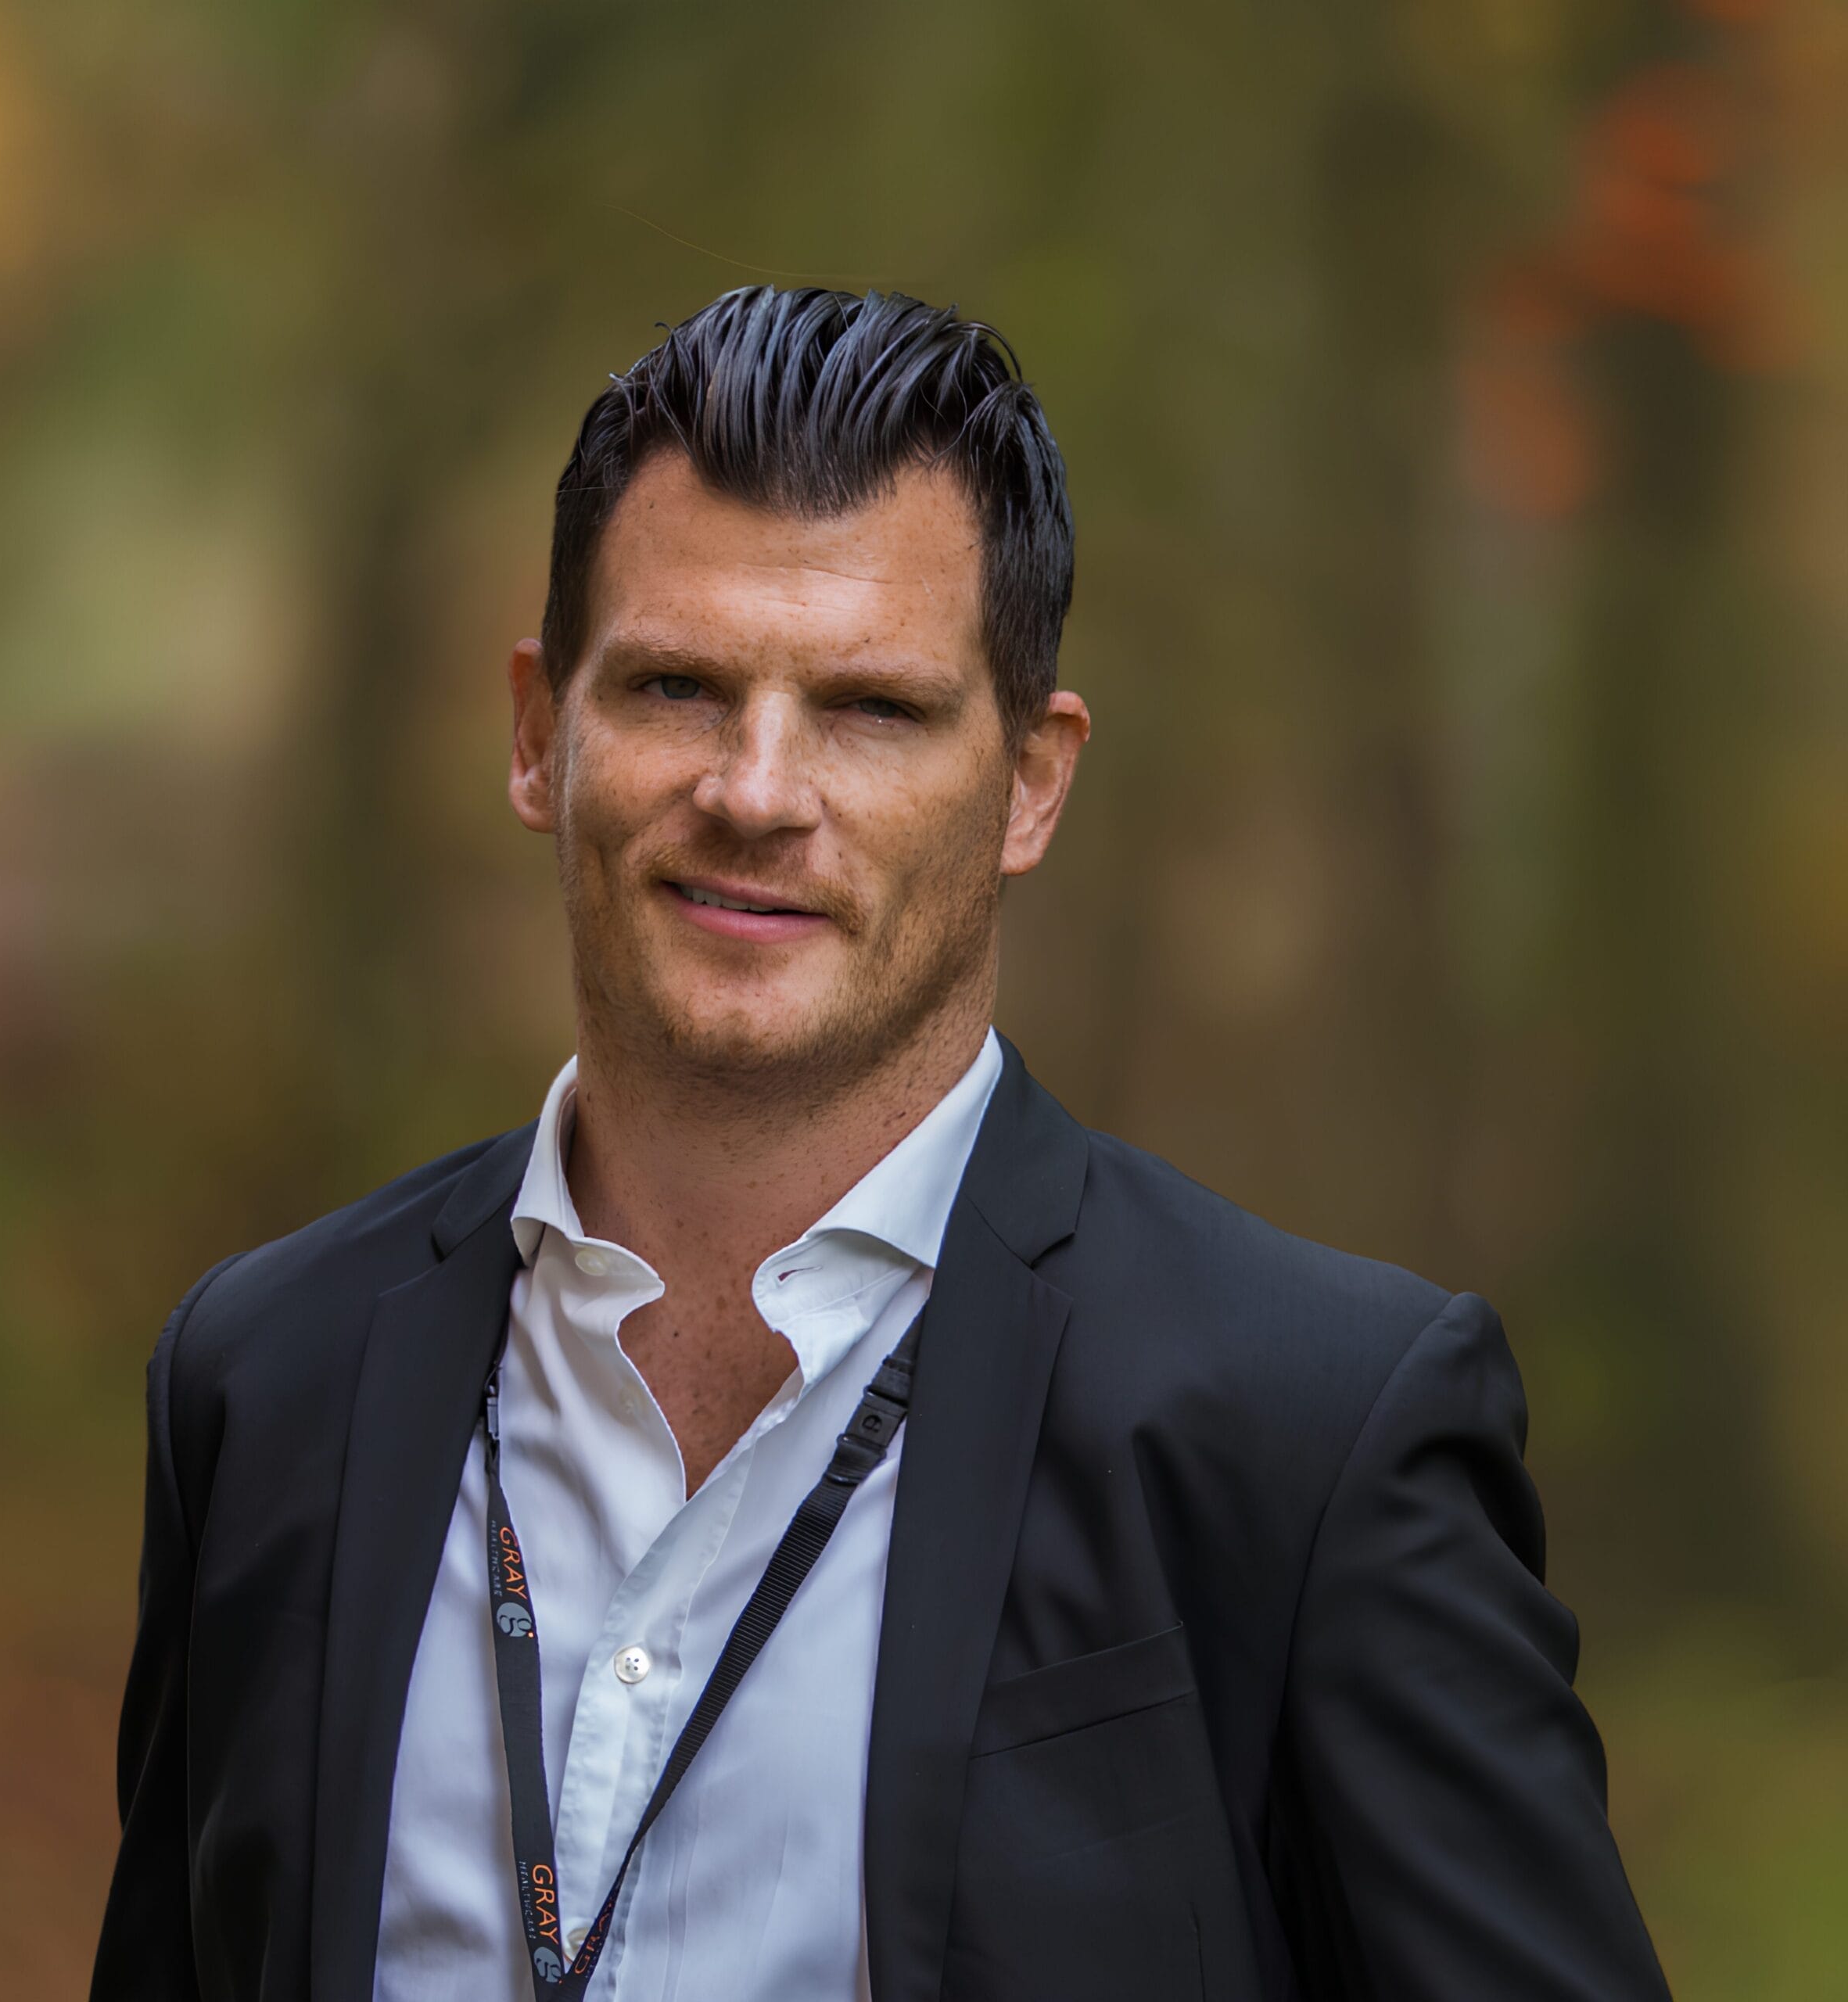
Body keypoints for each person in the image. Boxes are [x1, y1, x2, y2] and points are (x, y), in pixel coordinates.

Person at [91, 286, 1670, 2002]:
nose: (757, 790)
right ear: (541, 733)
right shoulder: (268, 1381)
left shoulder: (1307, 1434)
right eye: (677, 685)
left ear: (1031, 783)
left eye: (870, 709)